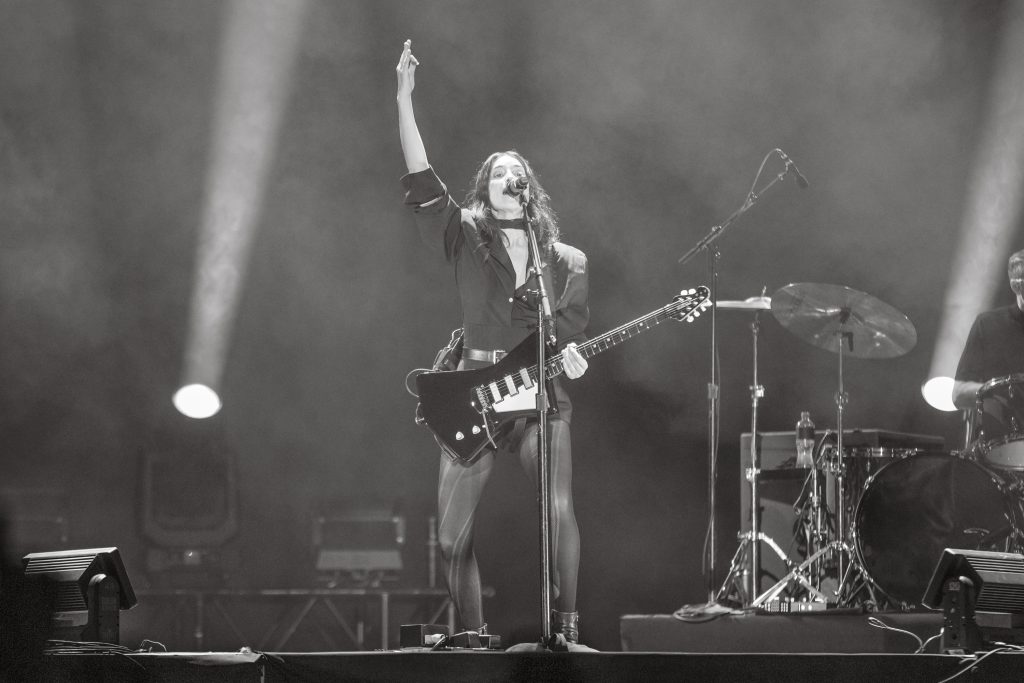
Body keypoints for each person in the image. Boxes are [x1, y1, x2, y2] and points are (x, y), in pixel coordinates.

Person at [396, 39, 590, 645]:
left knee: (555, 509)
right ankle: (475, 638)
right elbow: (422, 179)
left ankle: (566, 630)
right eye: (500, 171)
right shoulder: (465, 234)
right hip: (474, 391)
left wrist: (574, 359)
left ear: (531, 189)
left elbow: (570, 333)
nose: (511, 177)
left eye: (519, 172)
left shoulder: (566, 261)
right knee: (452, 537)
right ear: (485, 186)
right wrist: (404, 100)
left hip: (537, 392)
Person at [952, 250, 1024, 431]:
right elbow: (958, 394)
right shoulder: (988, 324)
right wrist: (1003, 390)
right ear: (1017, 285)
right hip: (1000, 442)